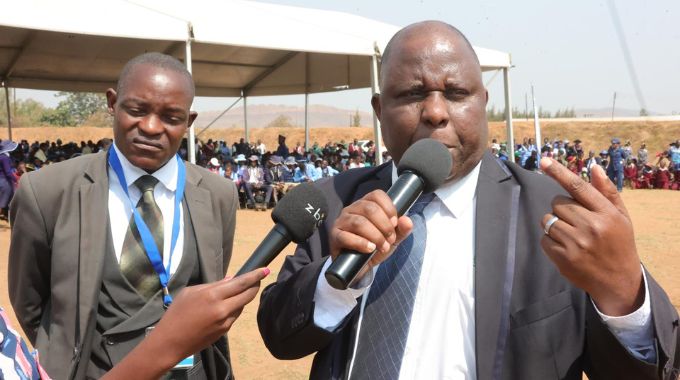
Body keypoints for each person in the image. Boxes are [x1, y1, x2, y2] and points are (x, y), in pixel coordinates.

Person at [257, 21, 679, 379]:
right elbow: (280, 336)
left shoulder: (556, 213)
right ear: (379, 109)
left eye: (457, 93)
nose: (436, 112)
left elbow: (649, 368)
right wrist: (338, 277)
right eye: (411, 94)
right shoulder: (336, 200)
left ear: (483, 104)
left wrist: (624, 294)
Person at [8, 52, 263, 380]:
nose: (151, 127)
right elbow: (30, 304)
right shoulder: (47, 192)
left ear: (189, 121)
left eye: (171, 117)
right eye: (137, 110)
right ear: (113, 103)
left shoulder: (217, 194)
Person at [0, 140, 18, 220]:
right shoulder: (5, 158)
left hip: (1, 179)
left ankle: (5, 215)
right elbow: (8, 172)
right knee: (4, 200)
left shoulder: (1, 156)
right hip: (5, 181)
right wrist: (16, 179)